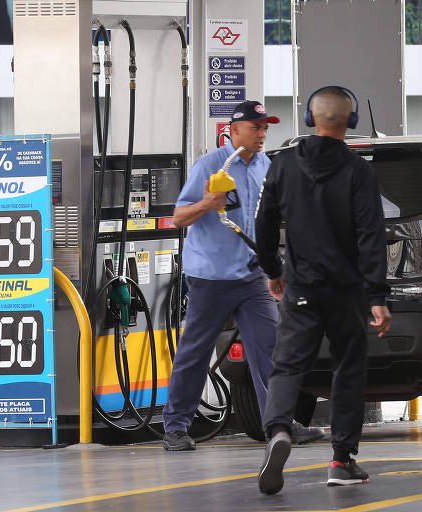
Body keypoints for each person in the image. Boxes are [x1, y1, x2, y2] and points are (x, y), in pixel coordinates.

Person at [162, 101, 323, 451]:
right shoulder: (209, 165)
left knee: (272, 348)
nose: (263, 134)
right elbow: (178, 218)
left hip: (251, 276)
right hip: (211, 276)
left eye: (266, 127)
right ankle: (175, 427)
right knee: (195, 350)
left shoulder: (267, 166)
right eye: (256, 127)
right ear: (233, 131)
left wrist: (275, 267)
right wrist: (206, 204)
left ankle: (280, 423)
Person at [254, 86, 391, 494]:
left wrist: (272, 268)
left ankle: (278, 429)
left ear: (310, 119)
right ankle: (341, 460)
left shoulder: (283, 165)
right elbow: (371, 235)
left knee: (287, 365)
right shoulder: (358, 171)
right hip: (346, 293)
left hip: (301, 289)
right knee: (347, 371)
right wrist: (378, 296)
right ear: (350, 122)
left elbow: (264, 221)